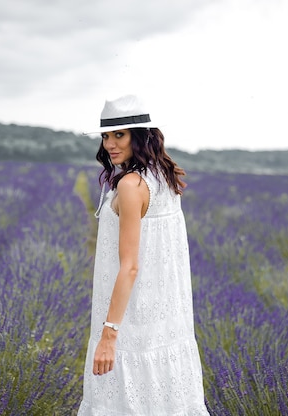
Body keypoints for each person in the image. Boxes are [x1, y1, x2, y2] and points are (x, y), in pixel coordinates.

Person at [78, 95, 209, 415]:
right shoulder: (164, 177)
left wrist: (109, 336)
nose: (110, 143)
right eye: (106, 135)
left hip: (131, 321)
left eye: (119, 134)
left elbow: (130, 266)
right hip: (165, 321)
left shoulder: (131, 185)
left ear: (140, 135)